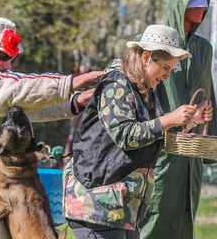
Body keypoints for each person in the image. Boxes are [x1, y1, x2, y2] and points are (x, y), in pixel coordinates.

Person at [62, 24, 213, 239]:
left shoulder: (146, 92)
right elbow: (125, 135)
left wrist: (189, 122)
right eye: (165, 67)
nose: (167, 76)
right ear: (146, 58)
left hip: (121, 209)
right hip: (95, 204)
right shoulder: (116, 85)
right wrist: (168, 118)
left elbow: (152, 135)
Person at [0, 16, 106, 238]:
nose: (8, 64)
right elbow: (16, 91)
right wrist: (69, 84)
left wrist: (74, 102)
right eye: (3, 56)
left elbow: (25, 105)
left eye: (13, 58)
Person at [138, 0, 217, 239]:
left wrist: (206, 117)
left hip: (191, 152)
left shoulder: (204, 48)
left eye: (207, 1)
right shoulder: (155, 42)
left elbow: (207, 91)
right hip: (160, 151)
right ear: (179, 4)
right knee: (154, 217)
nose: (204, 7)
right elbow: (142, 95)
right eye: (197, 1)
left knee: (185, 218)